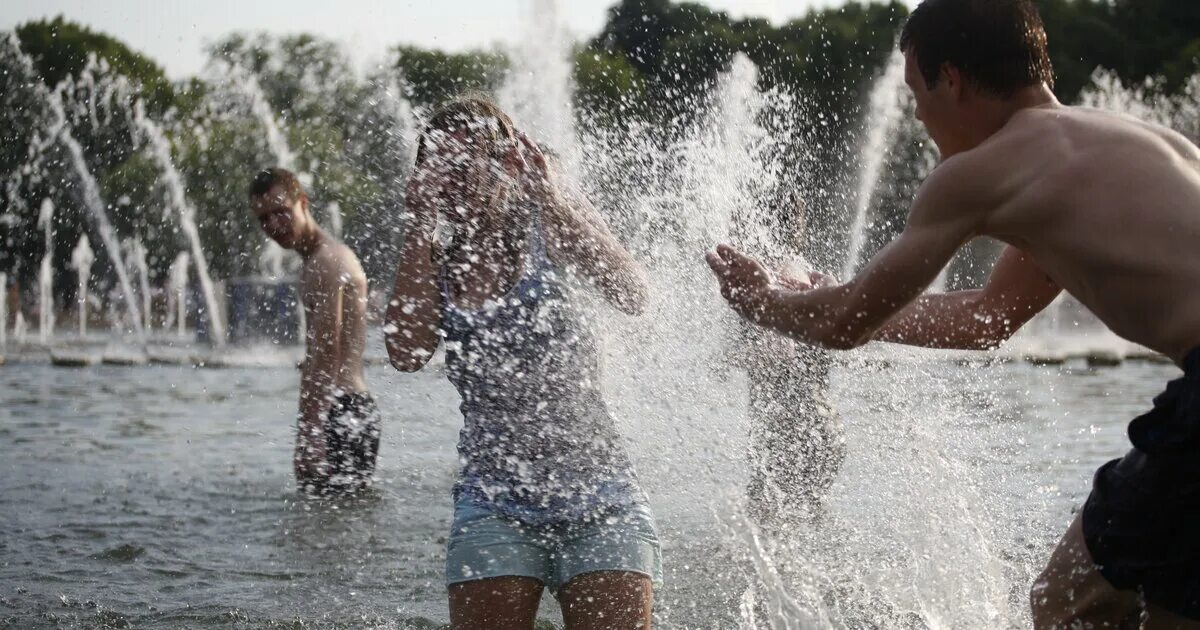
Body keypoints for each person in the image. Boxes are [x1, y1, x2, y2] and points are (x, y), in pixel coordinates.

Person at [706, 0, 1200, 626]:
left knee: (1068, 597)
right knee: (1159, 601)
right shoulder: (1116, 142)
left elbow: (843, 326)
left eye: (917, 92)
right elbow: (988, 317)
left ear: (953, 79)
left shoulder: (981, 173)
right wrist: (846, 295)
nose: (915, 115)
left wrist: (763, 303)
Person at [384, 97, 661, 630]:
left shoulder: (549, 217)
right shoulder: (438, 260)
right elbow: (405, 352)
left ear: (505, 162)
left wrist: (554, 202)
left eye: (466, 169)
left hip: (600, 493)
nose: (456, 188)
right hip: (493, 501)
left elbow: (633, 293)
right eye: (441, 174)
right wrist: (419, 222)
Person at [249, 168, 378, 497]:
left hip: (340, 412)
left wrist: (310, 433)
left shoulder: (325, 262)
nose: (274, 225)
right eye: (264, 218)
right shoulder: (321, 259)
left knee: (325, 535)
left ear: (302, 203)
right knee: (336, 533)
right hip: (348, 411)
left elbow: (325, 353)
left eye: (281, 212)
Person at [726, 202, 844, 527]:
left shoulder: (779, 272)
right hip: (816, 426)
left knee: (768, 529)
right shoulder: (799, 268)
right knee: (799, 534)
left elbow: (780, 350)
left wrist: (728, 358)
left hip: (791, 430)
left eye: (739, 219)